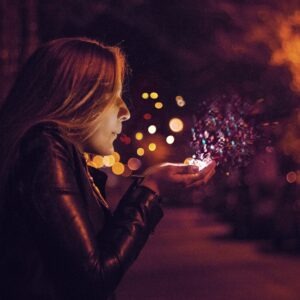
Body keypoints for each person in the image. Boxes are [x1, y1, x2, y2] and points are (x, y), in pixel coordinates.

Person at [0, 37, 216, 300]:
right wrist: (151, 188)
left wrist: (149, 183)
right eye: (113, 97)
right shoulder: (43, 147)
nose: (125, 111)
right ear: (76, 97)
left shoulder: (57, 152)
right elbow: (94, 276)